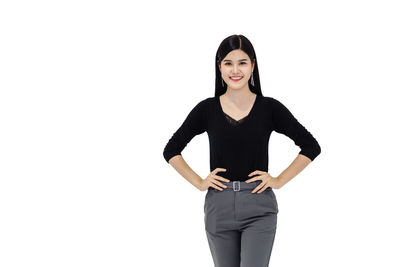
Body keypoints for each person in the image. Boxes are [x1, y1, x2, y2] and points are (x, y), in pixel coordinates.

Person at [162, 34, 321, 267]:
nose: (235, 70)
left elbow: (310, 146)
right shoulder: (207, 109)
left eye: (242, 62)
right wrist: (198, 182)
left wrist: (278, 180)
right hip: (219, 205)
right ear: (219, 67)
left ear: (253, 65)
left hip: (259, 205)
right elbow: (171, 150)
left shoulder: (269, 108)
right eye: (228, 63)